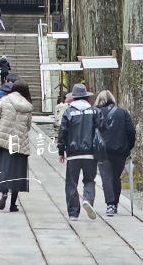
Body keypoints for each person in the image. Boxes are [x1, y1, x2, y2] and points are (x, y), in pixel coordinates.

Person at [57, 82, 101, 220]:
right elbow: (102, 130)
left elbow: (63, 132)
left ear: (74, 97)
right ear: (86, 97)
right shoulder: (94, 111)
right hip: (90, 153)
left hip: (73, 153)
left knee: (71, 183)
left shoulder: (69, 112)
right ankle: (88, 199)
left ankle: (73, 213)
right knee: (89, 180)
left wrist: (61, 150)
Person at [0, 80, 33, 212]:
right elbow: (28, 126)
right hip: (20, 142)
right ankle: (13, 204)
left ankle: (4, 191)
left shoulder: (4, 100)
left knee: (3, 167)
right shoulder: (27, 105)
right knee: (18, 172)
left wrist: (2, 125)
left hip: (4, 141)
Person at [95, 90, 136, 216]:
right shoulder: (123, 113)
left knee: (106, 177)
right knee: (116, 177)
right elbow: (131, 131)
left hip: (103, 150)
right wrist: (128, 147)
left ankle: (110, 204)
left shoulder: (96, 113)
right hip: (120, 151)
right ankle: (115, 203)